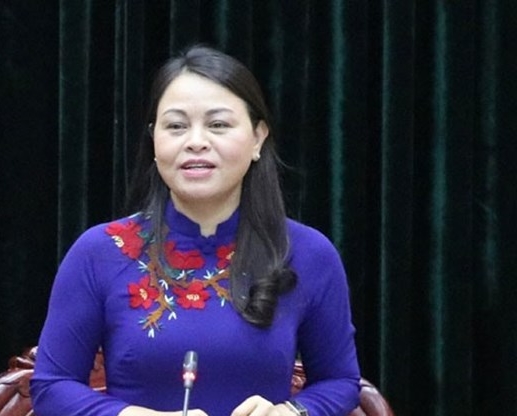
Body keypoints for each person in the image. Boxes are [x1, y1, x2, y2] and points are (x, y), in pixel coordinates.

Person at [30, 45, 360, 416]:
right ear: (154, 141)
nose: (196, 141)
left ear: (258, 138)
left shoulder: (307, 253)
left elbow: (341, 381)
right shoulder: (100, 252)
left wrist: (293, 412)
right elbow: (51, 387)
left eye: (218, 125)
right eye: (176, 126)